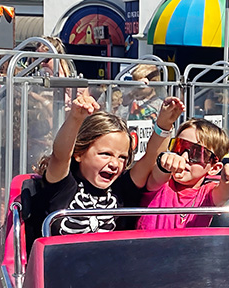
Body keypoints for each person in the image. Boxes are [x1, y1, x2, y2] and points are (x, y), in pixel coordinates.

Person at [29, 89, 184, 236]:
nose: (114, 163)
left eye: (122, 157)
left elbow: (151, 158)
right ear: (79, 153)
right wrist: (75, 118)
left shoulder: (122, 187)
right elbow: (60, 155)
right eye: (105, 154)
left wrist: (164, 124)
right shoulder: (62, 186)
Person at [137, 119, 229, 229]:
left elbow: (224, 191)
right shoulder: (162, 184)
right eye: (178, 147)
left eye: (197, 153)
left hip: (190, 246)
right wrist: (165, 162)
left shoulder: (206, 195)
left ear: (214, 168)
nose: (183, 157)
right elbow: (158, 175)